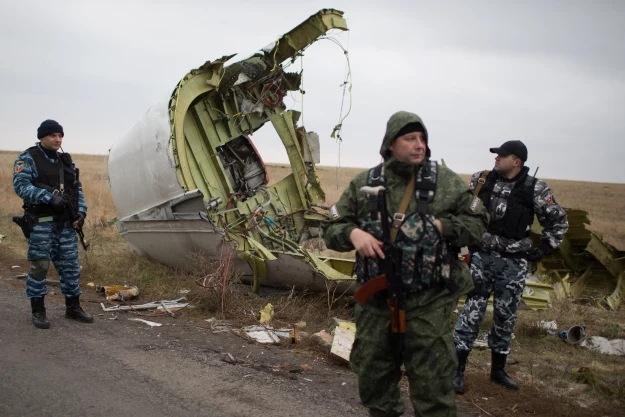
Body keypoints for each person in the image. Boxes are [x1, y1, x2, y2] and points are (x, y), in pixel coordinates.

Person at [322, 111, 489, 417]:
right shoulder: (365, 184)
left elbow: (477, 223)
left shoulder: (446, 183)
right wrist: (352, 232)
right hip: (375, 305)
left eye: (422, 138)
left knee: (433, 388)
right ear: (390, 144)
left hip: (428, 304)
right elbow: (330, 227)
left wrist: (443, 227)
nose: (419, 145)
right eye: (410, 138)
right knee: (374, 382)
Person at [452, 140, 568, 393]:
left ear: (517, 161)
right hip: (481, 258)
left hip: (513, 263)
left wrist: (541, 251)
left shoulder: (534, 188)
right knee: (471, 312)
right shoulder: (480, 180)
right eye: (496, 155)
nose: (496, 159)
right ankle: (457, 371)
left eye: (502, 156)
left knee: (506, 316)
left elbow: (558, 222)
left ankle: (497, 371)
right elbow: (461, 213)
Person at [13, 119, 93, 329]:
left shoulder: (65, 161)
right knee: (40, 267)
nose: (57, 139)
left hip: (65, 224)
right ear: (42, 137)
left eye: (60, 135)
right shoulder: (28, 158)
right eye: (52, 135)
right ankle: (38, 311)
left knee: (70, 267)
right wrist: (48, 197)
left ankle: (73, 307)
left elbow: (77, 189)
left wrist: (81, 212)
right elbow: (21, 187)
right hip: (41, 223)